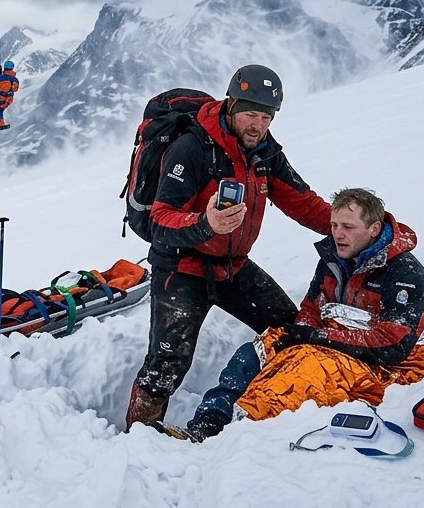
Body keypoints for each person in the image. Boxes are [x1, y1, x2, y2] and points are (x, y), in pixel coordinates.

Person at [126, 64, 334, 432]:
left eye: (266, 118)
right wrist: (205, 224)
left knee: (288, 330)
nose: (258, 125)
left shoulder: (265, 152)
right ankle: (137, 438)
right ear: (231, 105)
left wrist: (362, 230)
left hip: (233, 267)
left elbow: (304, 203)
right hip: (181, 269)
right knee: (165, 366)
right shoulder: (191, 148)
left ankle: (264, 411)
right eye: (250, 115)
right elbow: (160, 220)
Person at [157, 188, 424, 441]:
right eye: (334, 224)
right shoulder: (334, 259)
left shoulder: (404, 274)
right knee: (261, 349)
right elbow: (312, 308)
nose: (337, 233)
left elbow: (393, 346)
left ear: (374, 229)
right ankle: (208, 422)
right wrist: (300, 335)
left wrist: (315, 338)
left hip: (399, 364)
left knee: (303, 370)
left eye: (348, 227)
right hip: (343, 341)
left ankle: (237, 434)